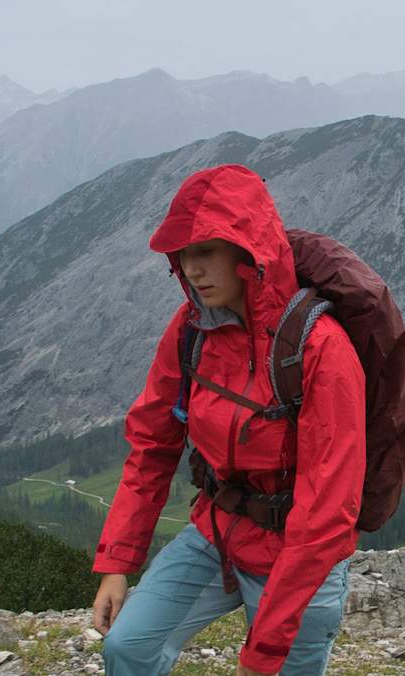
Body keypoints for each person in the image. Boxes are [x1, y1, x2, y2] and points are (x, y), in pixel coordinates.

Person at [92, 163, 368, 675]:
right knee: (128, 647)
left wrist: (262, 654)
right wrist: (116, 565)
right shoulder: (192, 331)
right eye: (182, 255)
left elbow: (327, 514)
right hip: (216, 534)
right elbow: (153, 444)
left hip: (299, 561)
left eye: (205, 251)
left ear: (247, 250)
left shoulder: (320, 349)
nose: (191, 269)